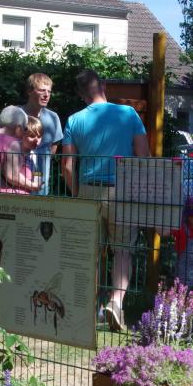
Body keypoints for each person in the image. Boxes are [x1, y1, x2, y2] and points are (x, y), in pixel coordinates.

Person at [61, 69, 151, 331]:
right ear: (102, 86)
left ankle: (88, 310)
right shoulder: (128, 114)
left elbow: (67, 166)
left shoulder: (74, 120)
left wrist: (77, 194)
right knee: (123, 249)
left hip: (88, 190)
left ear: (80, 93)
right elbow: (143, 157)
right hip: (121, 191)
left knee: (91, 253)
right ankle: (115, 302)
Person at [0, 105, 41, 195]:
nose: (23, 133)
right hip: (9, 202)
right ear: (18, 128)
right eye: (25, 128)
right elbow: (12, 176)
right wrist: (33, 185)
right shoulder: (13, 144)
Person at [20, 73, 63, 196]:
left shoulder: (53, 118)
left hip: (41, 181)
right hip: (15, 180)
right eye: (41, 90)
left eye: (49, 91)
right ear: (29, 91)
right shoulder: (16, 115)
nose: (46, 95)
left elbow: (53, 147)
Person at [22, 116, 44, 182]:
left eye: (39, 136)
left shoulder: (35, 155)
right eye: (32, 136)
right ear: (21, 134)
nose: (36, 140)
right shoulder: (13, 153)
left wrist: (37, 179)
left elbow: (36, 177)